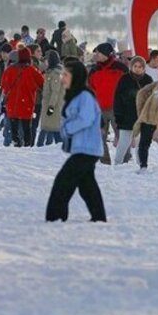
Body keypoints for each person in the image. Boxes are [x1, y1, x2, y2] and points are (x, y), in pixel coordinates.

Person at [46, 58, 107, 223]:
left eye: (65, 74)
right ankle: (99, 218)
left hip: (87, 149)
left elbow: (85, 119)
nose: (62, 78)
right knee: (87, 186)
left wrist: (66, 129)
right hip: (82, 148)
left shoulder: (85, 96)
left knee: (63, 181)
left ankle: (55, 217)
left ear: (76, 76)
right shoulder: (75, 95)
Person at [88, 42, 128, 163]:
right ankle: (104, 162)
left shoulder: (120, 68)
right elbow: (90, 87)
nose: (96, 55)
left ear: (106, 53)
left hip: (117, 109)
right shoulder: (94, 70)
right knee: (99, 138)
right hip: (99, 109)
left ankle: (124, 161)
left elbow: (128, 86)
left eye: (98, 52)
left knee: (122, 137)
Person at [0, 46, 45, 148]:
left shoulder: (10, 70)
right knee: (26, 127)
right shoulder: (32, 70)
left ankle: (16, 143)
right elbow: (42, 84)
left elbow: (3, 85)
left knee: (14, 126)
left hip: (12, 104)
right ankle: (27, 145)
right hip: (27, 103)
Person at [113, 56, 154, 164]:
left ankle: (141, 163)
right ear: (131, 67)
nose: (137, 68)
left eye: (140, 66)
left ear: (144, 68)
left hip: (142, 116)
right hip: (127, 116)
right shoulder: (124, 79)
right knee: (124, 142)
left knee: (141, 143)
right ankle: (117, 163)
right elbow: (117, 98)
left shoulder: (148, 80)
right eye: (135, 66)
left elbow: (152, 99)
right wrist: (118, 115)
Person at [134, 76, 158, 171]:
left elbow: (141, 94)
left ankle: (143, 166)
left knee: (144, 143)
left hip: (149, 117)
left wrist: (141, 111)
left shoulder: (156, 84)